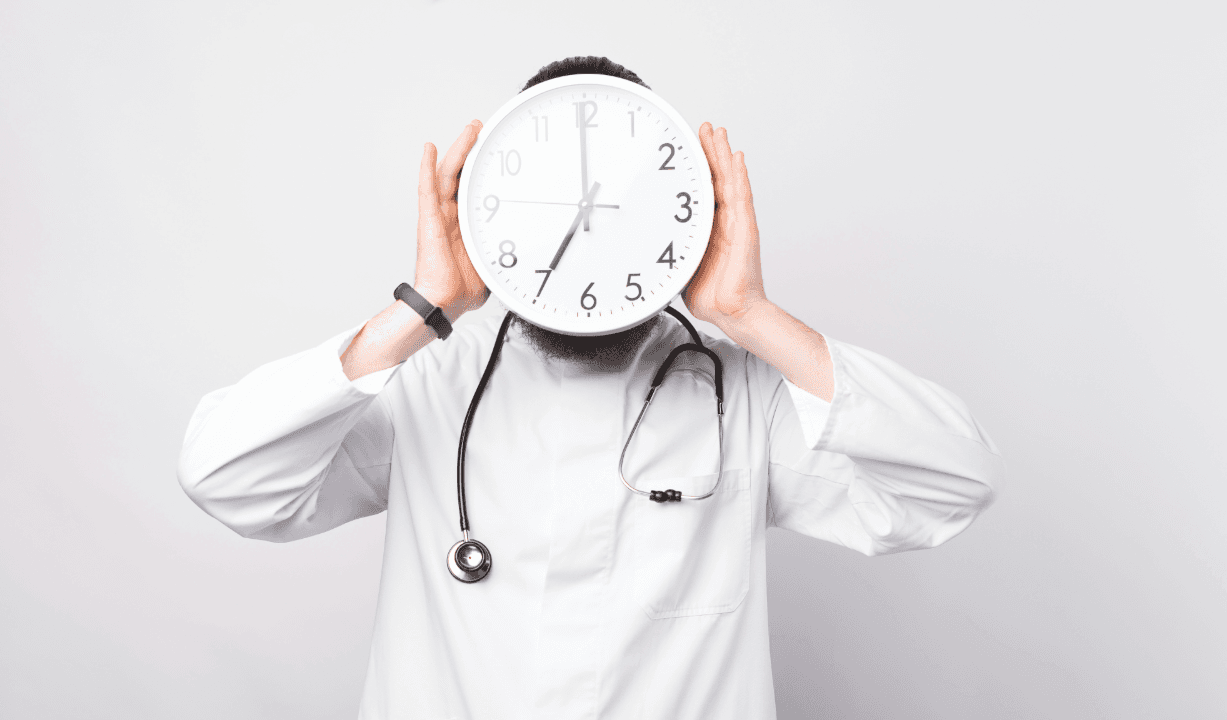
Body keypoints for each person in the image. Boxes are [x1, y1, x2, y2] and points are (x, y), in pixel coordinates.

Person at [177, 56, 1004, 720]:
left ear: (689, 220)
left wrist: (750, 316)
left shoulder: (743, 397)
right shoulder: (425, 383)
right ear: (485, 218)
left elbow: (951, 482)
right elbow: (227, 479)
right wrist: (423, 310)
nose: (583, 236)